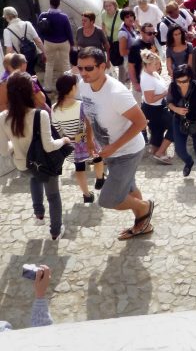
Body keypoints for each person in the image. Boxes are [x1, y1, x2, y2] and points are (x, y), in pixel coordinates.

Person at [78, 47, 153, 240]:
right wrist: (89, 137)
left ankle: (145, 207)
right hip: (109, 150)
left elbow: (141, 122)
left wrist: (113, 147)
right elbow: (88, 112)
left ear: (102, 66)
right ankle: (144, 223)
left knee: (109, 199)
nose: (84, 73)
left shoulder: (117, 93)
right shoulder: (83, 85)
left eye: (89, 68)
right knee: (128, 187)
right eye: (80, 68)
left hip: (127, 152)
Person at [0, 72, 71, 239]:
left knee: (34, 177)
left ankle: (39, 214)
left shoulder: (3, 118)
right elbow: (49, 146)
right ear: (29, 92)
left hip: (22, 164)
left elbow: (3, 150)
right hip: (45, 164)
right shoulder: (40, 115)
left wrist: (15, 146)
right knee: (53, 196)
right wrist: (64, 141)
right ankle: (55, 231)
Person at [52, 74, 106, 203]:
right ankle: (99, 179)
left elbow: (57, 130)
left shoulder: (54, 109)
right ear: (72, 88)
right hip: (89, 141)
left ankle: (87, 195)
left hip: (72, 145)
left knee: (79, 168)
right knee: (98, 158)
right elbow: (94, 123)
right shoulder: (82, 105)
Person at [139, 50, 173, 164]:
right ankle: (160, 152)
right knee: (175, 126)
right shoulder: (146, 78)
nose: (158, 66)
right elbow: (150, 99)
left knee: (158, 130)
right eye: (155, 64)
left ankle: (157, 152)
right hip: (152, 109)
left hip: (159, 107)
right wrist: (165, 93)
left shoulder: (153, 73)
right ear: (147, 65)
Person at [37, 0, 74, 93]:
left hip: (49, 42)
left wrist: (42, 40)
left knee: (49, 65)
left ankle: (48, 87)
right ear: (59, 4)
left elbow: (39, 30)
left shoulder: (43, 15)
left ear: (50, 3)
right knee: (66, 64)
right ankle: (69, 85)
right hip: (63, 42)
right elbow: (69, 32)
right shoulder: (64, 17)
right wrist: (72, 43)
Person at [3, 7, 44, 75]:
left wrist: (7, 64)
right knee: (31, 72)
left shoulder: (7, 31)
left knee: (25, 76)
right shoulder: (27, 23)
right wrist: (44, 52)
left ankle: (33, 84)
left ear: (7, 17)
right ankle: (35, 84)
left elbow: (9, 49)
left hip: (20, 60)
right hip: (33, 55)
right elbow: (38, 40)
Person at [128, 22, 161, 104]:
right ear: (142, 33)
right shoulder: (135, 47)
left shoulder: (152, 42)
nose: (152, 35)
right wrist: (135, 84)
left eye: (154, 33)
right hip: (140, 82)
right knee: (139, 106)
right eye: (149, 33)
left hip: (153, 80)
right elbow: (131, 67)